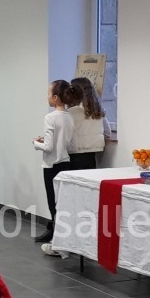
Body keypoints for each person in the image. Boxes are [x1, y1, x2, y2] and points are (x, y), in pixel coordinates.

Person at [33, 80, 76, 256]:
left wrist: (36, 143)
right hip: (66, 163)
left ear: (56, 98)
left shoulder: (50, 117)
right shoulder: (69, 117)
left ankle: (57, 245)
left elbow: (49, 147)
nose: (47, 97)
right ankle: (67, 242)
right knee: (64, 204)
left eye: (49, 93)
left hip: (51, 165)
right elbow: (71, 144)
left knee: (54, 205)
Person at [67, 76, 108, 170]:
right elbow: (108, 133)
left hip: (75, 154)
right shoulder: (98, 111)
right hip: (92, 155)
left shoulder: (71, 112)